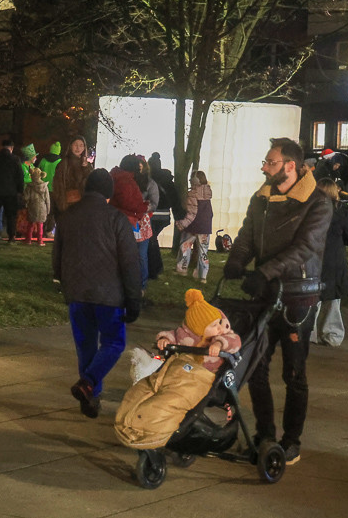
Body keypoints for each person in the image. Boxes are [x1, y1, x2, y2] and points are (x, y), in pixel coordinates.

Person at [223, 137, 331, 465]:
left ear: (290, 166)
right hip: (265, 294)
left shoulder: (318, 203)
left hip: (300, 297)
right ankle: (265, 435)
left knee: (294, 374)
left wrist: (265, 272)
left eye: (270, 162)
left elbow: (305, 247)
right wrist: (237, 260)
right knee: (255, 366)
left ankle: (291, 441)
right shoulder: (263, 198)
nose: (264, 167)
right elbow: (246, 235)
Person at [52, 168, 142, 418]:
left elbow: (57, 259)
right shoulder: (116, 219)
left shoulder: (68, 217)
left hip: (77, 294)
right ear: (108, 193)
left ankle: (91, 394)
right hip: (109, 296)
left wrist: (65, 283)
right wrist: (133, 297)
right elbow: (130, 262)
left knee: (86, 346)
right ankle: (89, 382)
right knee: (114, 342)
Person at [115, 289, 242, 449]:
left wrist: (219, 343)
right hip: (175, 369)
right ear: (199, 329)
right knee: (140, 391)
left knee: (168, 402)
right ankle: (127, 425)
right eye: (214, 325)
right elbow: (174, 334)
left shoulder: (224, 337)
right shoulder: (188, 335)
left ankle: (150, 433)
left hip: (199, 377)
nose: (219, 328)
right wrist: (164, 339)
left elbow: (234, 341)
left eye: (219, 323)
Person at [312, 179, 348, 347]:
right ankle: (332, 335)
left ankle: (309, 333)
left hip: (314, 258)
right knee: (333, 301)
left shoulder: (310, 210)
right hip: (335, 259)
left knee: (311, 299)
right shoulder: (341, 212)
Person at [110, 155, 151, 295]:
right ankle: (139, 287)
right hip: (132, 220)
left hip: (121, 219)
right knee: (139, 255)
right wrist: (143, 207)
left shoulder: (116, 176)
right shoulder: (126, 180)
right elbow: (129, 202)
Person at [175, 170, 214, 283]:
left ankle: (182, 268)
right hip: (205, 226)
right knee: (203, 251)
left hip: (192, 226)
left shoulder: (192, 194)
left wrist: (181, 224)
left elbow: (191, 213)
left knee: (185, 246)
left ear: (194, 181)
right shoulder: (208, 192)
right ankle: (203, 275)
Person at [36, 142, 61, 234]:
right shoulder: (60, 162)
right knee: (53, 211)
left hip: (43, 189)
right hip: (55, 190)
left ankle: (41, 229)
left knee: (44, 210)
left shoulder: (43, 160)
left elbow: (38, 172)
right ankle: (49, 230)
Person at [23, 165, 50, 246]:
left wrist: (26, 203)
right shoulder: (44, 186)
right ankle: (40, 240)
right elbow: (47, 199)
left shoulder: (29, 186)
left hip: (32, 206)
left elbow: (26, 197)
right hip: (42, 206)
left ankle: (28, 240)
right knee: (40, 224)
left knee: (31, 224)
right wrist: (48, 209)